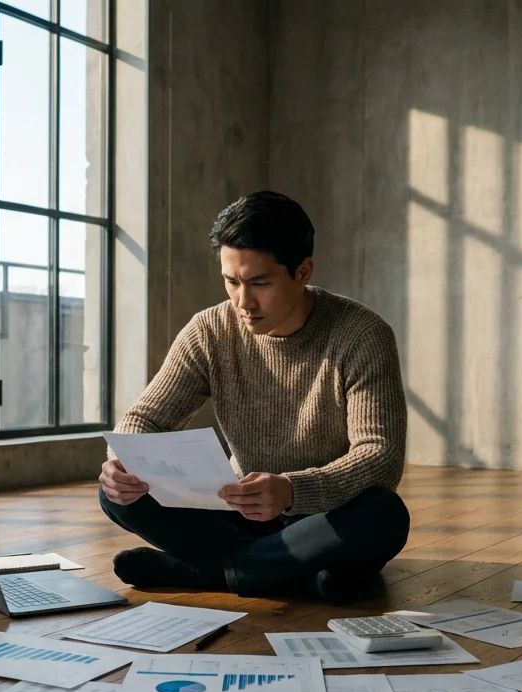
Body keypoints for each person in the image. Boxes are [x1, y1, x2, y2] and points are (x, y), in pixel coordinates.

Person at [98, 191, 410, 604]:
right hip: (235, 514)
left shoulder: (362, 335)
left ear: (302, 271)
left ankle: (206, 573)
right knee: (114, 494)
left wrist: (292, 490)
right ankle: (290, 574)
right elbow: (146, 416)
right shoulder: (210, 330)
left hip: (322, 518)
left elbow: (380, 455)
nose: (243, 302)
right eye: (231, 281)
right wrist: (125, 462)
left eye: (260, 283)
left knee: (383, 516)